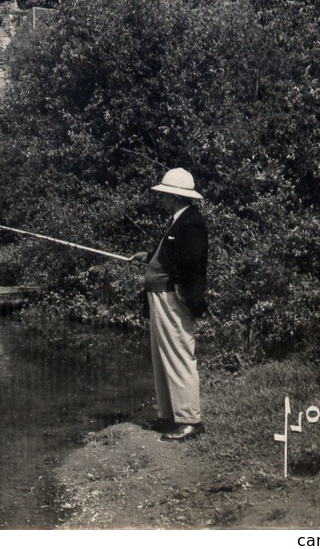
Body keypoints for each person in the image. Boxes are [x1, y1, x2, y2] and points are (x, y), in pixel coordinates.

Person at [133, 167, 208, 441]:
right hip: (159, 296)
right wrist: (149, 256)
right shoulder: (179, 220)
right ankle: (168, 416)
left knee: (178, 354)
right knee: (160, 355)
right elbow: (170, 251)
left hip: (172, 298)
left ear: (176, 197)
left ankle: (190, 420)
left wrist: (184, 296)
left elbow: (192, 265)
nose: (162, 199)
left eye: (165, 194)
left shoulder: (193, 222)